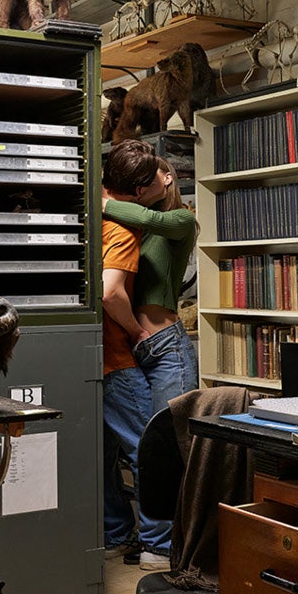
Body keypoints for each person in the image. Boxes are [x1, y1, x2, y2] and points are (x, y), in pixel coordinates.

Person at [100, 140, 198, 559]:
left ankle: (163, 546)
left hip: (166, 346)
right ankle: (146, 539)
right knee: (144, 445)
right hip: (138, 345)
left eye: (160, 172)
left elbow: (142, 215)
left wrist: (102, 201)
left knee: (165, 445)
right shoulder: (133, 226)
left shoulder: (180, 219)